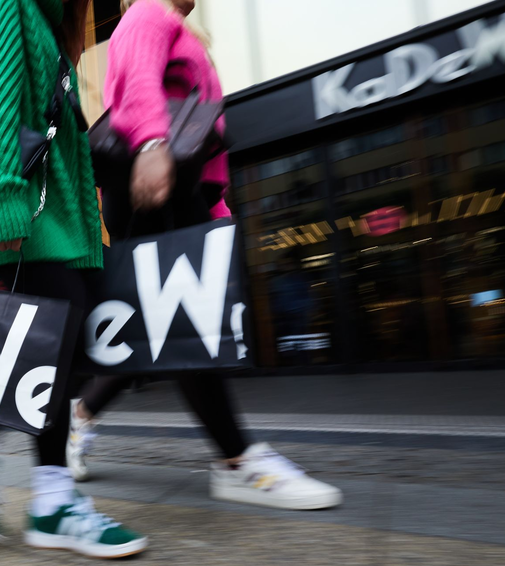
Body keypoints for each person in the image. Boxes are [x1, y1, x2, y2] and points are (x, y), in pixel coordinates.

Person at [66, 0, 343, 512]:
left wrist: (215, 212)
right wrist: (151, 144)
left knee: (160, 327)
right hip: (152, 181)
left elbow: (199, 135)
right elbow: (135, 79)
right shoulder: (149, 12)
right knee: (186, 325)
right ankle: (238, 461)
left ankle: (81, 414)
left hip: (174, 184)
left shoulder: (178, 26)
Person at [0, 0, 147, 559]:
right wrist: (3, 206)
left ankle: (52, 501)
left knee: (60, 357)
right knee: (50, 343)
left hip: (58, 218)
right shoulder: (9, 3)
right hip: (25, 211)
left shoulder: (51, 22)